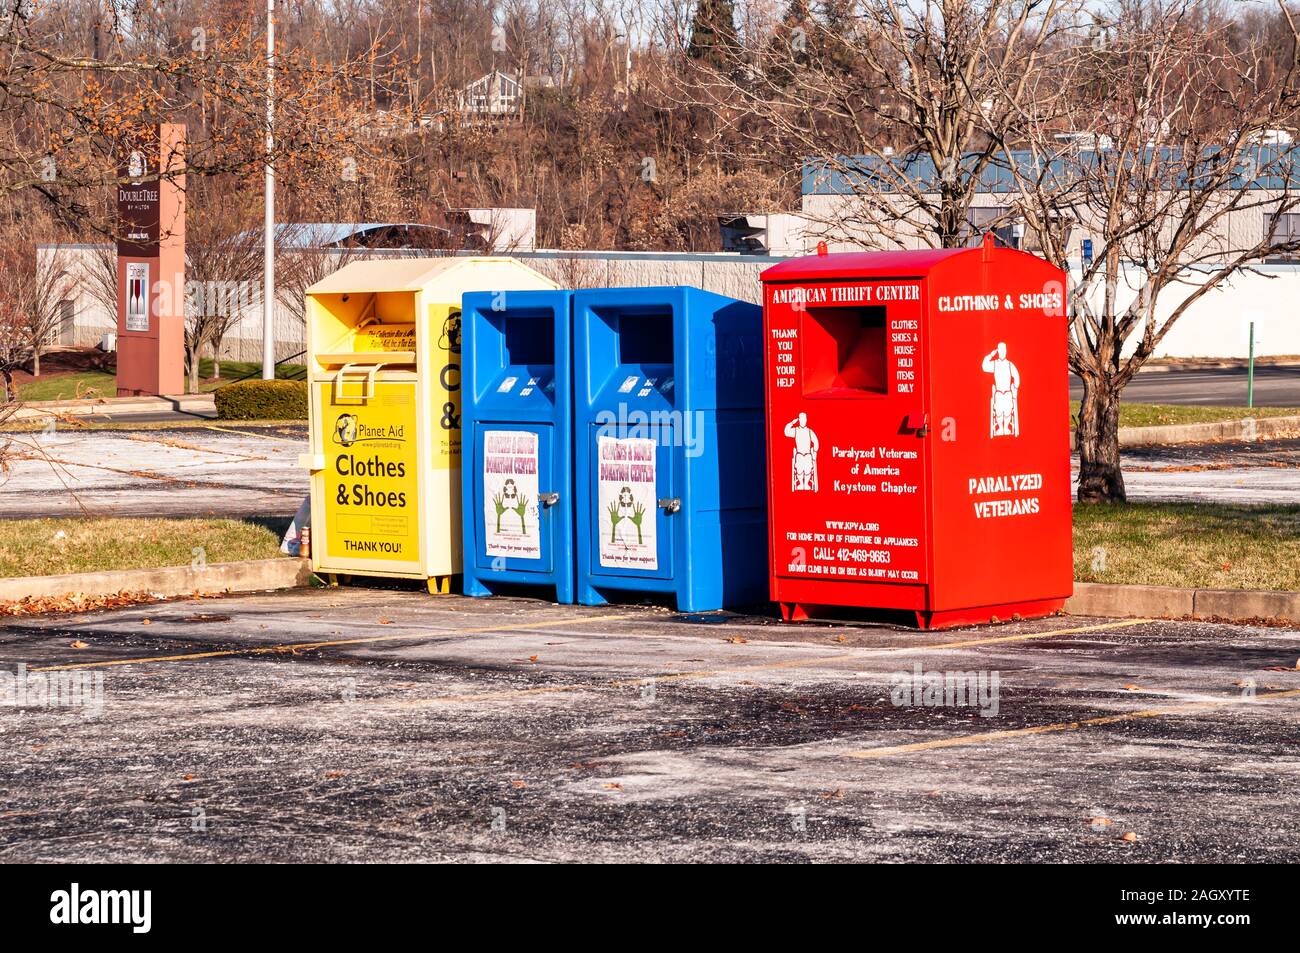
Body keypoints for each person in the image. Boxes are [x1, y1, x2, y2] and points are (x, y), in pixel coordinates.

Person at [982, 342, 1020, 437]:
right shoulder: (994, 364)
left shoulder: (1010, 365)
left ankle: (1006, 427)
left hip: (1008, 392)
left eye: (1004, 350)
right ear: (998, 351)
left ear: (1006, 351)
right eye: (1001, 350)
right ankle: (1000, 427)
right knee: (998, 410)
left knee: (1007, 410)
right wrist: (991, 354)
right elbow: (984, 366)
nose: (1003, 352)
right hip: (998, 393)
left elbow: (1017, 376)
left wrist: (1015, 387)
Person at [784, 412, 819, 491]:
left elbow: (816, 442)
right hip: (799, 454)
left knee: (808, 468)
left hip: (808, 455)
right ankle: (800, 483)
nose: (803, 421)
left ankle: (806, 484)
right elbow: (786, 432)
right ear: (799, 420)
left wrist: (815, 451)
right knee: (799, 468)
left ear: (806, 420)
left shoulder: (810, 431)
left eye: (804, 419)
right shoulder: (796, 430)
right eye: (801, 419)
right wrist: (792, 422)